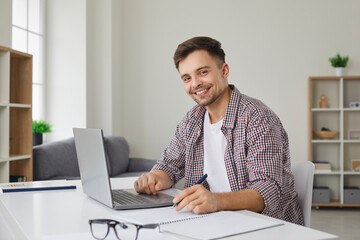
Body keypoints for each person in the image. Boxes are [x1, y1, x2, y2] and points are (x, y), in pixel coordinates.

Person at [134, 36, 304, 225]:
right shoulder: (191, 121)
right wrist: (154, 178)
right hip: (214, 222)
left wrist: (216, 200)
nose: (196, 83)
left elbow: (268, 190)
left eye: (203, 72)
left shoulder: (257, 118)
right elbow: (170, 166)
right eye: (187, 78)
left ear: (224, 71)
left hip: (265, 227)